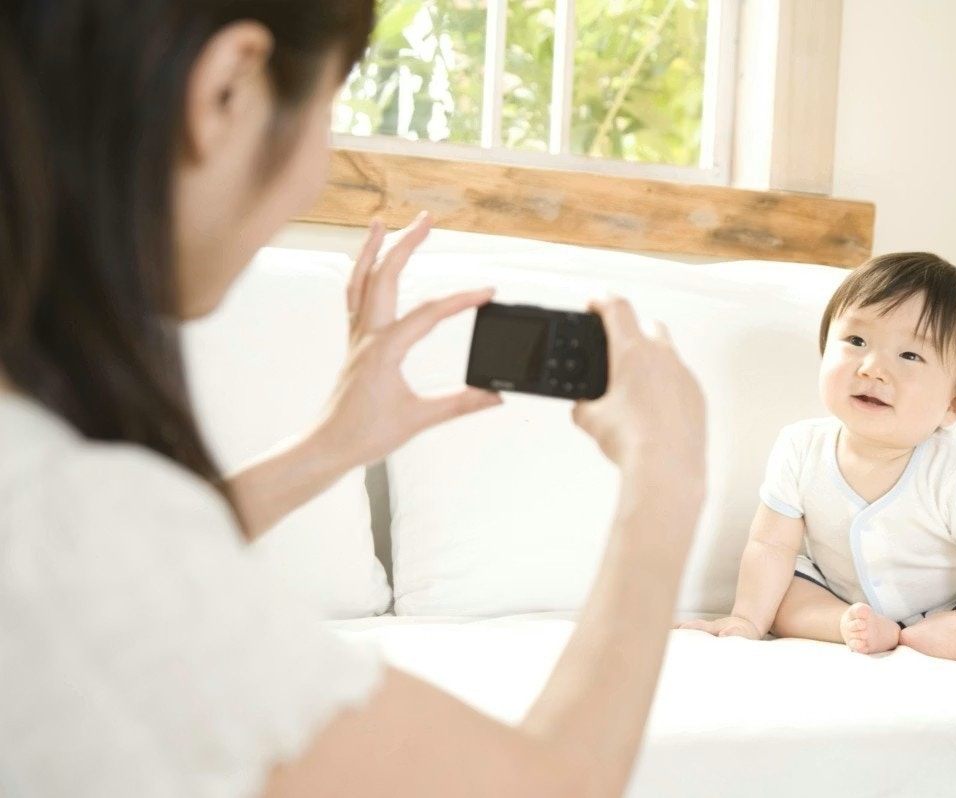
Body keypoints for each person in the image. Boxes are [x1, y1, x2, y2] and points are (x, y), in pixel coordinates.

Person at [0, 3, 706, 796]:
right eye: (329, 108)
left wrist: (334, 444)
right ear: (227, 87)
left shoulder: (58, 506)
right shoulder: (64, 524)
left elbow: (123, 577)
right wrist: (666, 474)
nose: (318, 166)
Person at [680, 253, 956, 672]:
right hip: (845, 598)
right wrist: (747, 619)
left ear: (952, 405)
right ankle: (849, 626)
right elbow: (770, 545)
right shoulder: (800, 446)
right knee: (783, 593)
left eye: (910, 355)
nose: (873, 368)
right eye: (856, 341)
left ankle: (946, 631)